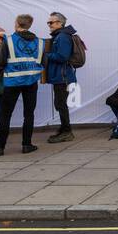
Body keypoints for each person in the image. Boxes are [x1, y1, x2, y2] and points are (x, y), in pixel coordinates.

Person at [0, 14, 44, 157]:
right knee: (29, 114)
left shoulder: (9, 40)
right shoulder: (39, 42)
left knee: (6, 115)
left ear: (17, 24)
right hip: (31, 82)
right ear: (29, 25)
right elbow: (43, 61)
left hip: (12, 82)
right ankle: (27, 144)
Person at [45, 11, 78, 143]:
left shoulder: (63, 37)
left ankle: (67, 131)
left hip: (63, 77)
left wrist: (47, 55)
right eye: (48, 22)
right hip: (60, 76)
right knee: (59, 104)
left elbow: (63, 57)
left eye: (51, 22)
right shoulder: (59, 36)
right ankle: (64, 128)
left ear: (60, 23)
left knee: (61, 104)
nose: (49, 25)